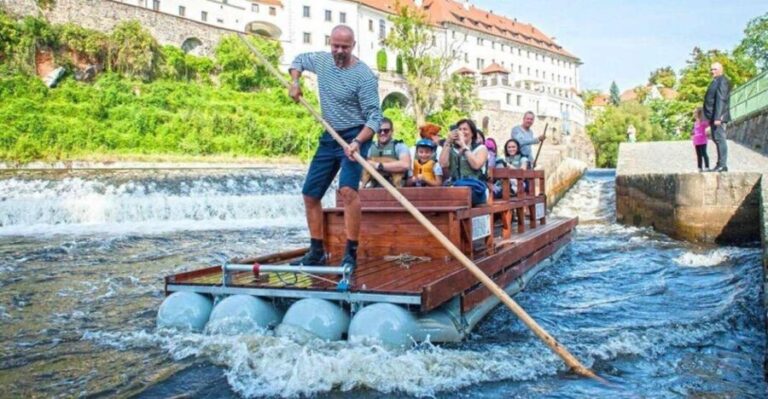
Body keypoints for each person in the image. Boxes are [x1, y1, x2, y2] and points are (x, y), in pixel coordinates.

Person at [287, 25, 382, 282]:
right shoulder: (322, 61)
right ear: (331, 44)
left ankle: (350, 252)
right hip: (330, 136)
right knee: (310, 194)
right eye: (335, 46)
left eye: (345, 47)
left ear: (353, 46)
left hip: (355, 136)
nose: (339, 51)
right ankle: (316, 251)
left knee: (348, 191)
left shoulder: (364, 76)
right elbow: (297, 61)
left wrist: (357, 142)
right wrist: (295, 82)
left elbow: (374, 116)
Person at [439, 119, 489, 205]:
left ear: (472, 133)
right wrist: (447, 142)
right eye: (459, 129)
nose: (462, 132)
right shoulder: (452, 149)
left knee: (458, 196)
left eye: (465, 129)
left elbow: (476, 165)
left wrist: (463, 146)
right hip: (454, 187)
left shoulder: (481, 148)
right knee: (434, 196)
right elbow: (443, 164)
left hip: (476, 188)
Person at [361, 117, 411, 188]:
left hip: (396, 187)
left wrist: (378, 165)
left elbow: (405, 165)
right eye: (379, 130)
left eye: (386, 130)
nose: (382, 133)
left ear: (392, 131)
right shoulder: (370, 148)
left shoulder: (399, 146)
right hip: (375, 187)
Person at [703, 62, 731, 172]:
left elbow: (721, 99)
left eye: (714, 69)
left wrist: (718, 117)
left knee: (720, 139)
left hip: (718, 117)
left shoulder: (722, 81)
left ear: (720, 70)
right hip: (713, 116)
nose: (712, 71)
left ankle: (723, 165)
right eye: (711, 69)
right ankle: (720, 164)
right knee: (716, 138)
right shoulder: (716, 81)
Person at [691, 107, 710, 172]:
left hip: (703, 140)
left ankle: (707, 166)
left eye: (695, 112)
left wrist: (708, 130)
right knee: (698, 155)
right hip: (696, 141)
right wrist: (692, 135)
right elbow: (693, 131)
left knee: (704, 153)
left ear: (699, 113)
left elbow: (708, 126)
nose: (694, 114)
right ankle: (699, 167)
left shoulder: (703, 122)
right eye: (694, 113)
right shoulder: (695, 122)